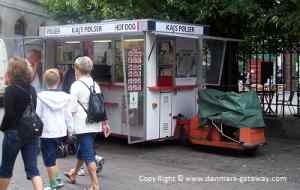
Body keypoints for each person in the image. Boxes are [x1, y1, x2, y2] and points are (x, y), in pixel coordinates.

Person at [65, 56, 111, 190]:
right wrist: (105, 123)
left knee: (88, 154)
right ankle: (73, 173)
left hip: (82, 125)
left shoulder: (76, 85)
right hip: (95, 124)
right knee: (83, 150)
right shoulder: (95, 84)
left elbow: (71, 108)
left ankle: (95, 185)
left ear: (77, 69)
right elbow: (100, 105)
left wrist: (68, 126)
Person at [0, 57, 43, 190]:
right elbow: (32, 111)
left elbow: (10, 114)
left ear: (11, 72)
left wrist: (3, 128)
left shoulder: (10, 90)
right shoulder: (32, 90)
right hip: (31, 133)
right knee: (33, 169)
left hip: (14, 133)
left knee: (6, 168)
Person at [36, 69, 75, 190]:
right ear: (59, 81)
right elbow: (68, 115)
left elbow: (37, 115)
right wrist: (71, 130)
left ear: (44, 81)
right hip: (61, 132)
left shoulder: (41, 97)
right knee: (54, 157)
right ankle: (57, 179)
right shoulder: (65, 97)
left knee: (48, 161)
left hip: (46, 132)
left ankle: (53, 185)